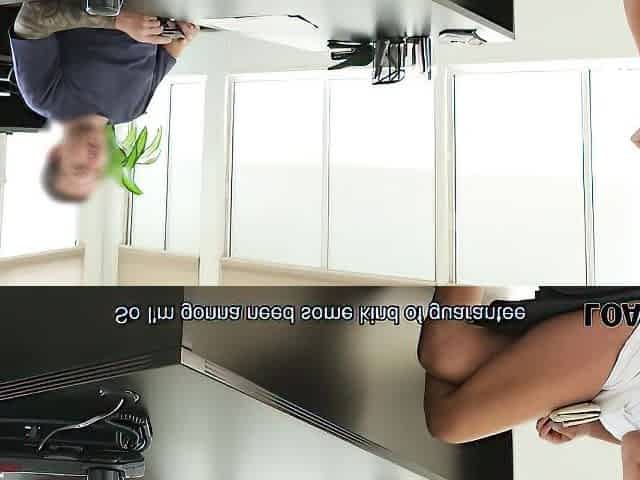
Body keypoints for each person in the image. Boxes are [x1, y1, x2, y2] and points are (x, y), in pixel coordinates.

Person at [418, 286, 640, 478]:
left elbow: (632, 444)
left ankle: (468, 262)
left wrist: (590, 428)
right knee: (451, 420)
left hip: (620, 385)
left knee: (448, 354)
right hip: (630, 358)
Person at [9, 0, 200, 201]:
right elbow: (173, 47)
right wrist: (183, 33)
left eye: (80, 168)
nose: (94, 162)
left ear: (56, 153)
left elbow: (32, 16)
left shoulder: (43, 97)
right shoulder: (133, 110)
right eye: (97, 172)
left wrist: (118, 21)